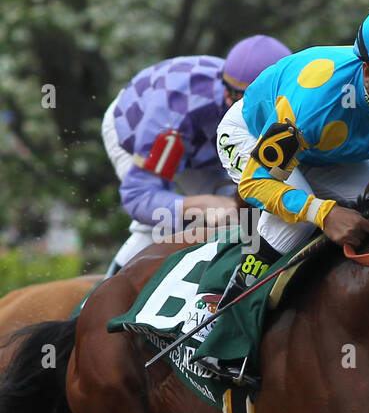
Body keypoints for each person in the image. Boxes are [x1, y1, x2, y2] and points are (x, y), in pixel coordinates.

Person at [196, 0, 369, 384]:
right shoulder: (315, 102)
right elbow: (255, 183)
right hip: (253, 137)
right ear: (367, 73)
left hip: (331, 151)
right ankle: (225, 334)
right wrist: (323, 213)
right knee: (293, 226)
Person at [102, 36, 291, 274]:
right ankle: (96, 301)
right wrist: (201, 205)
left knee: (243, 215)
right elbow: (139, 197)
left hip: (209, 143)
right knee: (159, 222)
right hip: (140, 128)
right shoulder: (173, 123)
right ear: (229, 95)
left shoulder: (250, 92)